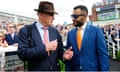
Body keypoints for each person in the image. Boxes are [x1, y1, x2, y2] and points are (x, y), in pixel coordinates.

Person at [17, 1, 64, 71]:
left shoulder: (55, 31)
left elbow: (60, 52)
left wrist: (65, 56)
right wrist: (44, 48)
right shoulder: (26, 31)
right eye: (51, 14)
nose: (53, 18)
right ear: (40, 14)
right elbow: (22, 54)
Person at [64, 5, 109, 71]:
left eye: (75, 16)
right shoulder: (70, 33)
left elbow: (102, 55)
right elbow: (68, 55)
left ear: (85, 16)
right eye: (72, 16)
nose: (73, 19)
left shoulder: (96, 31)